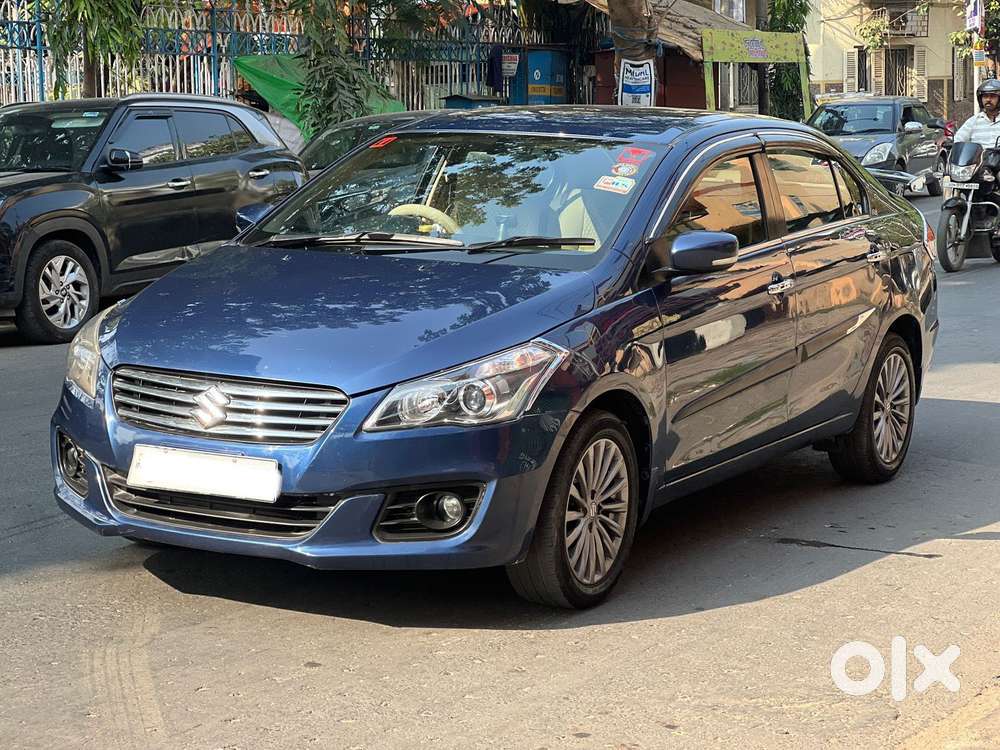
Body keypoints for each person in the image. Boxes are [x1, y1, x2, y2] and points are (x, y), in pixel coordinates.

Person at [954, 78, 1000, 149]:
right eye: (985, 96)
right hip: (979, 159)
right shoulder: (973, 121)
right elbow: (958, 139)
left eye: (992, 96)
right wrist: (947, 139)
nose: (988, 99)